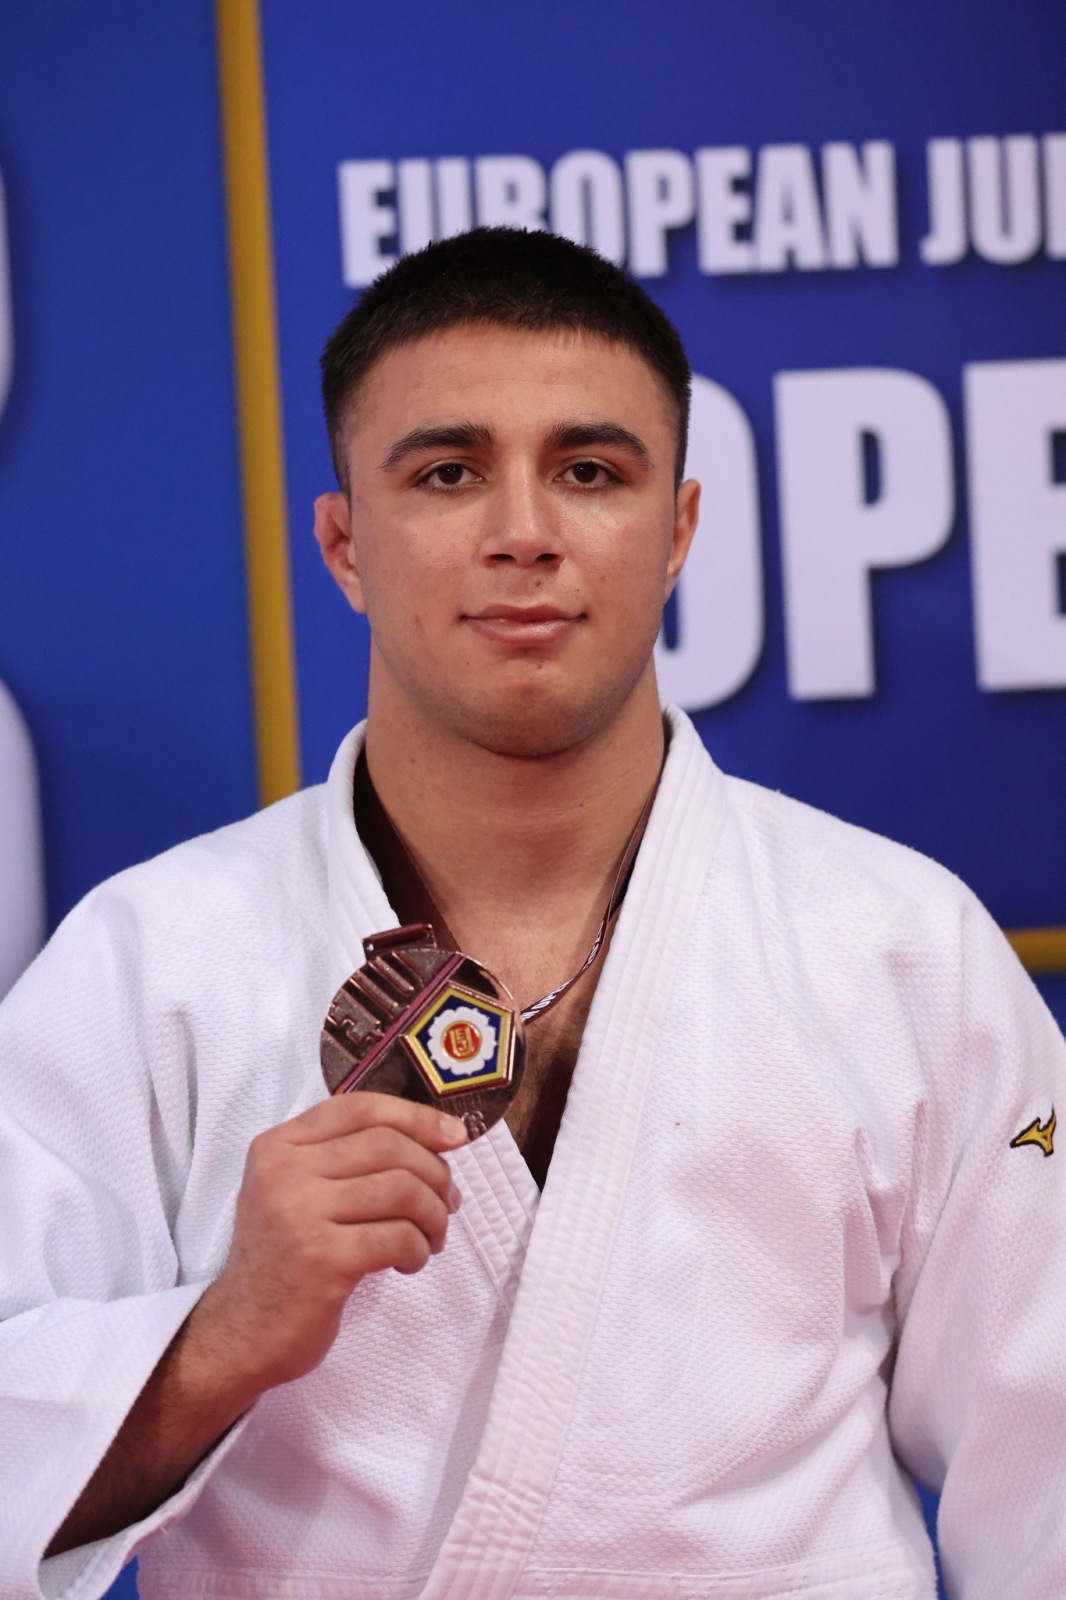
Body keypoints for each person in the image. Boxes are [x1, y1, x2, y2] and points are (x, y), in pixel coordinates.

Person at [2, 228, 1065, 1600]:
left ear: (677, 531)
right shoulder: (155, 966)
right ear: (343, 544)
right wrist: (221, 1336)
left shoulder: (901, 947)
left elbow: (1046, 1458)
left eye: (589, 471)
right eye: (448, 472)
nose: (523, 531)